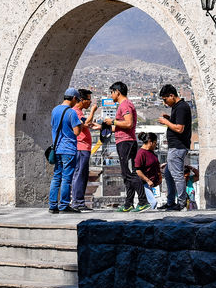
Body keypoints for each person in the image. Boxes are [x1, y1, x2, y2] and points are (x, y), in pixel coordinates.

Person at [102, 82, 147, 212]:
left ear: (117, 92)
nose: (111, 95)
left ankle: (143, 201)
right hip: (124, 141)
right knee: (126, 174)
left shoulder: (125, 105)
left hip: (126, 143)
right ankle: (128, 203)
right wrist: (102, 127)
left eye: (111, 92)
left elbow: (128, 123)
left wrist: (113, 121)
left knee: (129, 173)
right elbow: (120, 127)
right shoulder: (123, 105)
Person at [47, 88, 83, 213]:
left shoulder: (55, 110)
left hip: (57, 148)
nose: (76, 103)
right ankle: (64, 205)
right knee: (66, 179)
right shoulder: (71, 112)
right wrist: (80, 124)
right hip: (68, 149)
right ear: (74, 98)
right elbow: (76, 132)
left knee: (56, 177)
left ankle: (52, 205)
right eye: (77, 100)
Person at [158, 84, 192, 211]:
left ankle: (182, 203)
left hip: (178, 147)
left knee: (177, 175)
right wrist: (170, 119)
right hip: (175, 147)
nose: (165, 103)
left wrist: (166, 122)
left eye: (165, 99)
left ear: (172, 95)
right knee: (168, 174)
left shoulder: (181, 107)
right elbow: (178, 123)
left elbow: (179, 128)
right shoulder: (177, 107)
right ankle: (171, 202)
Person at [69, 89, 99, 212]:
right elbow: (86, 122)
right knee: (80, 174)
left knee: (83, 175)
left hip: (84, 148)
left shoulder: (79, 112)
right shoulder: (76, 111)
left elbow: (85, 124)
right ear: (82, 100)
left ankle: (79, 200)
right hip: (81, 147)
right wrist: (92, 111)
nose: (90, 103)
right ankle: (77, 201)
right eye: (89, 100)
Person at [134, 132, 162, 209]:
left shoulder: (151, 152)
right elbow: (138, 171)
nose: (156, 145)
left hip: (151, 184)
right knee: (153, 203)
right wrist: (148, 180)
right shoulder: (141, 153)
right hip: (144, 183)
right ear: (150, 142)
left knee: (152, 204)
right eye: (155, 143)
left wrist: (159, 177)